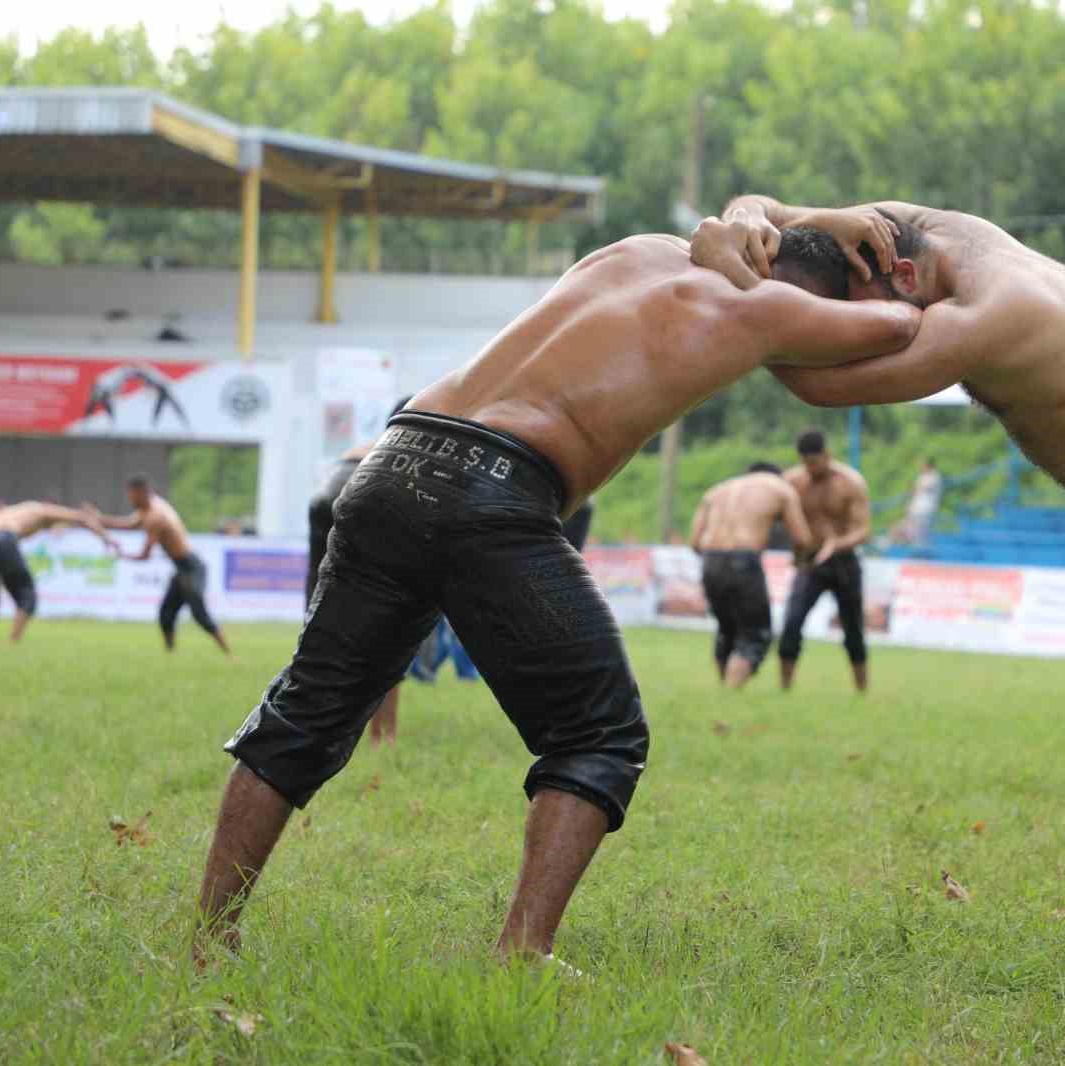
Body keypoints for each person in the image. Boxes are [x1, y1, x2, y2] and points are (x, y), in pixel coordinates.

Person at [190, 231, 921, 970]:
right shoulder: (765, 310)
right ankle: (523, 951)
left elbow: (741, 235)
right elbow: (901, 330)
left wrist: (775, 215)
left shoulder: (638, 249)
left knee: (302, 713)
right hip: (496, 486)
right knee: (601, 735)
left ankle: (209, 937)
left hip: (388, 462)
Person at [690, 196, 1065, 957]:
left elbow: (822, 381)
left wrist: (729, 276)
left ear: (902, 275)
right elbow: (765, 206)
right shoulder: (924, 233)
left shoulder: (989, 309)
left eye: (857, 317)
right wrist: (787, 216)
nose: (851, 337)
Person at [307, 396, 414, 747]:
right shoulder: (408, 448)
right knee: (393, 629)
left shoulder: (365, 445)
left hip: (328, 496)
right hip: (364, 490)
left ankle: (312, 728)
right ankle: (384, 736)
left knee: (323, 627)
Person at [688, 461, 815, 688]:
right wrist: (799, 559)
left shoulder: (717, 490)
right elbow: (803, 539)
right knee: (755, 634)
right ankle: (731, 691)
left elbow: (695, 542)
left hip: (711, 560)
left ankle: (724, 691)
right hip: (744, 560)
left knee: (727, 629)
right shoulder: (781, 488)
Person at [90, 476, 233, 657]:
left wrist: (121, 555)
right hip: (182, 568)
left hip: (191, 567)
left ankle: (229, 654)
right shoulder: (151, 507)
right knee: (166, 612)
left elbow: (145, 555)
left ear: (141, 493)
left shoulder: (155, 517)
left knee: (199, 614)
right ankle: (170, 655)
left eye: (131, 496)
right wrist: (99, 519)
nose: (130, 500)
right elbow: (127, 524)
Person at [777, 430, 872, 693]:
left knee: (853, 629)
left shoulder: (850, 482)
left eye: (816, 462)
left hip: (844, 561)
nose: (811, 468)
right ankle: (784, 689)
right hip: (810, 562)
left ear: (827, 455)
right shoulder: (792, 481)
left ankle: (861, 690)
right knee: (792, 621)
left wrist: (836, 544)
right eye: (806, 463)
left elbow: (863, 529)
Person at [0, 499, 116, 643]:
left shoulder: (16, 510)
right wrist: (107, 538)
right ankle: (12, 643)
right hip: (4, 539)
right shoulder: (42, 510)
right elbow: (81, 518)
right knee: (27, 596)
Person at [902, 457, 943, 547]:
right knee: (910, 531)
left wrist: (912, 491)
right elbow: (915, 492)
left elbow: (920, 489)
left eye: (922, 464)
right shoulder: (922, 476)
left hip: (925, 509)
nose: (920, 467)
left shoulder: (934, 476)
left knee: (922, 535)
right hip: (917, 509)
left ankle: (921, 552)